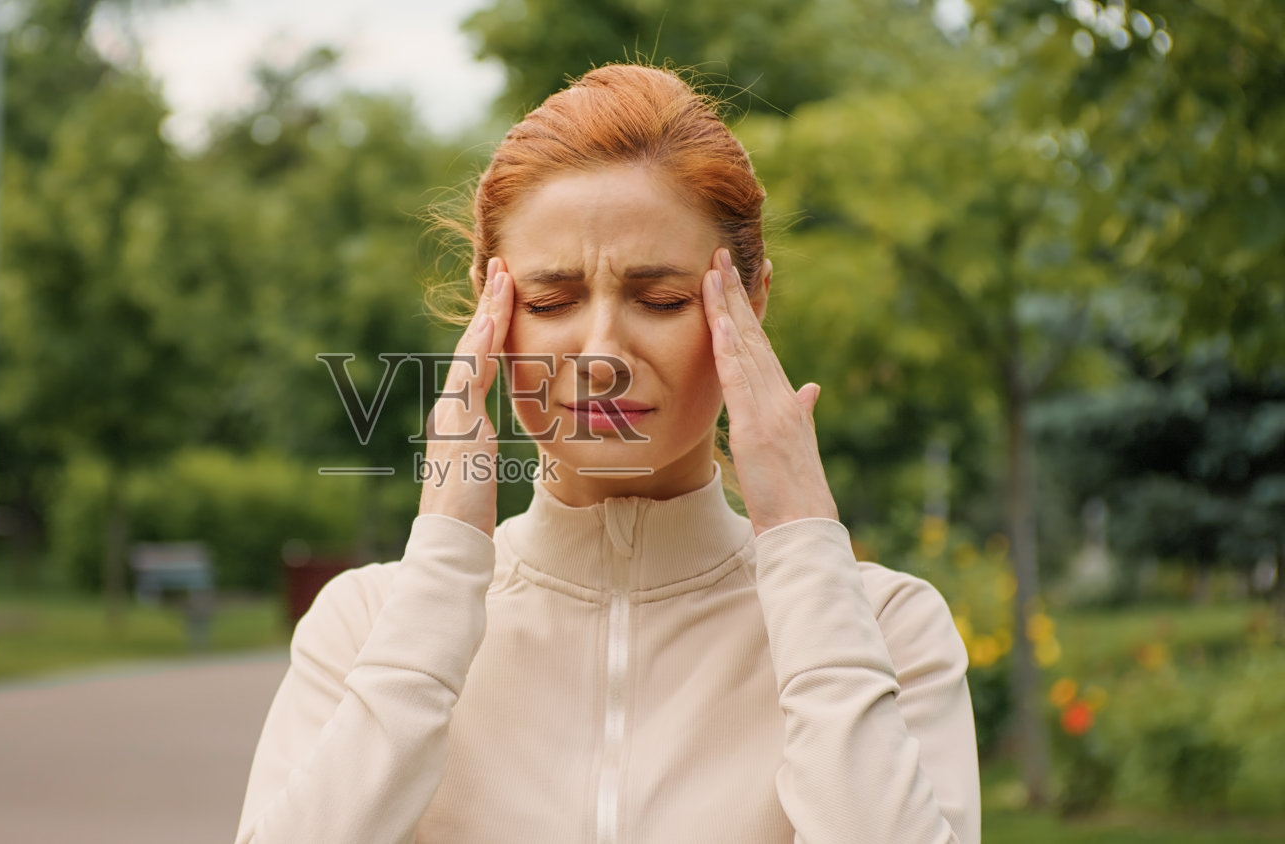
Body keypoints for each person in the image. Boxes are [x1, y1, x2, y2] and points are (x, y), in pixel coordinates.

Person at [234, 63, 980, 843]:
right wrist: (444, 573)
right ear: (493, 310)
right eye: (551, 301)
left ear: (751, 302)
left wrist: (802, 540)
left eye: (661, 301)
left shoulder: (884, 628)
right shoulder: (365, 624)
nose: (600, 355)